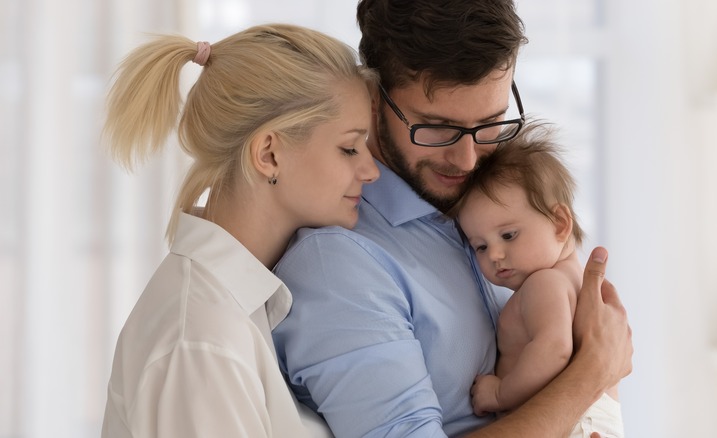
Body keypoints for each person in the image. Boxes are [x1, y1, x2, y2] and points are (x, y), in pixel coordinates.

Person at [272, 1, 633, 437]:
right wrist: (595, 368)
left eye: (490, 123)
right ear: (372, 98)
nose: (466, 159)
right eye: (436, 127)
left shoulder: (505, 205)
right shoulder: (338, 263)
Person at [100, 23, 379, 437]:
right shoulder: (202, 342)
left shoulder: (243, 306)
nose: (370, 171)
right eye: (350, 148)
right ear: (269, 154)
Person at [450, 123, 625, 437]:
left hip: (574, 423)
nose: (495, 255)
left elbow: (555, 348)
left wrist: (500, 393)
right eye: (481, 246)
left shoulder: (544, 283)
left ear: (559, 223)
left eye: (508, 235)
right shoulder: (574, 281)